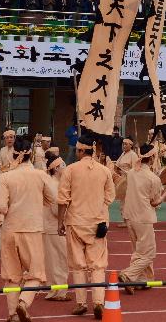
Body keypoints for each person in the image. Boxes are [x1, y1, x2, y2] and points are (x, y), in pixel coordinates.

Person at [0, 136, 55, 322]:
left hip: (10, 229)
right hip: (32, 229)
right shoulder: (40, 175)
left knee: (12, 276)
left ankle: (12, 314)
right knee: (36, 273)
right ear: (31, 154)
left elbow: (0, 206)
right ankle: (24, 302)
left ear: (13, 154)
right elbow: (53, 198)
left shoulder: (5, 176)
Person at [56, 136, 115, 318]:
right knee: (97, 265)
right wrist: (98, 208)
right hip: (98, 222)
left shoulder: (70, 170)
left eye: (77, 149)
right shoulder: (104, 171)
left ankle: (81, 303)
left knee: (78, 265)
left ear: (81, 151)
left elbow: (62, 200)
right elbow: (110, 197)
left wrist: (60, 222)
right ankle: (98, 301)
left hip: (75, 222)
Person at [118, 144, 166, 293]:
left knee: (138, 251)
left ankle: (144, 280)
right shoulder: (153, 178)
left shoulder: (132, 172)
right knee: (149, 253)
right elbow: (155, 202)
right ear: (152, 157)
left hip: (129, 216)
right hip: (144, 217)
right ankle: (129, 275)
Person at [43, 154, 70, 301]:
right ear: (57, 168)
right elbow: (56, 210)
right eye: (63, 165)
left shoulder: (55, 183)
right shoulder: (54, 185)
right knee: (59, 259)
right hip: (55, 228)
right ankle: (59, 291)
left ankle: (55, 289)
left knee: (53, 260)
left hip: (51, 227)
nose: (65, 168)